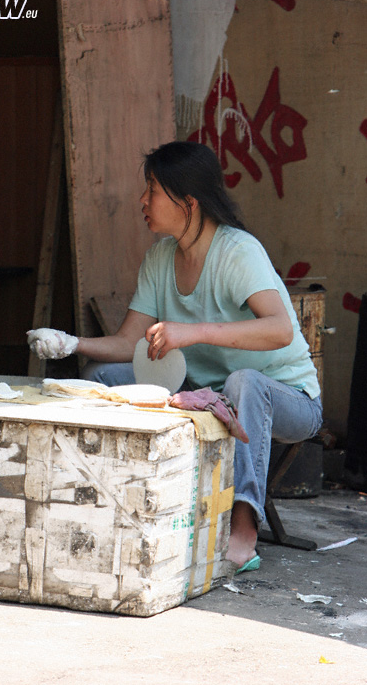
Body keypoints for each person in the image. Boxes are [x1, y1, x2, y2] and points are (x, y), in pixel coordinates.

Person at [27, 141, 323, 573]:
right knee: (103, 374)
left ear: (188, 203)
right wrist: (71, 343)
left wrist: (194, 332)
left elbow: (280, 328)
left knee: (246, 382)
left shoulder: (238, 251)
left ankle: (243, 526)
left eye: (152, 190)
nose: (143, 201)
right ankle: (116, 495)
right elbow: (130, 341)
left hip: (288, 399)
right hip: (206, 393)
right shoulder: (160, 257)